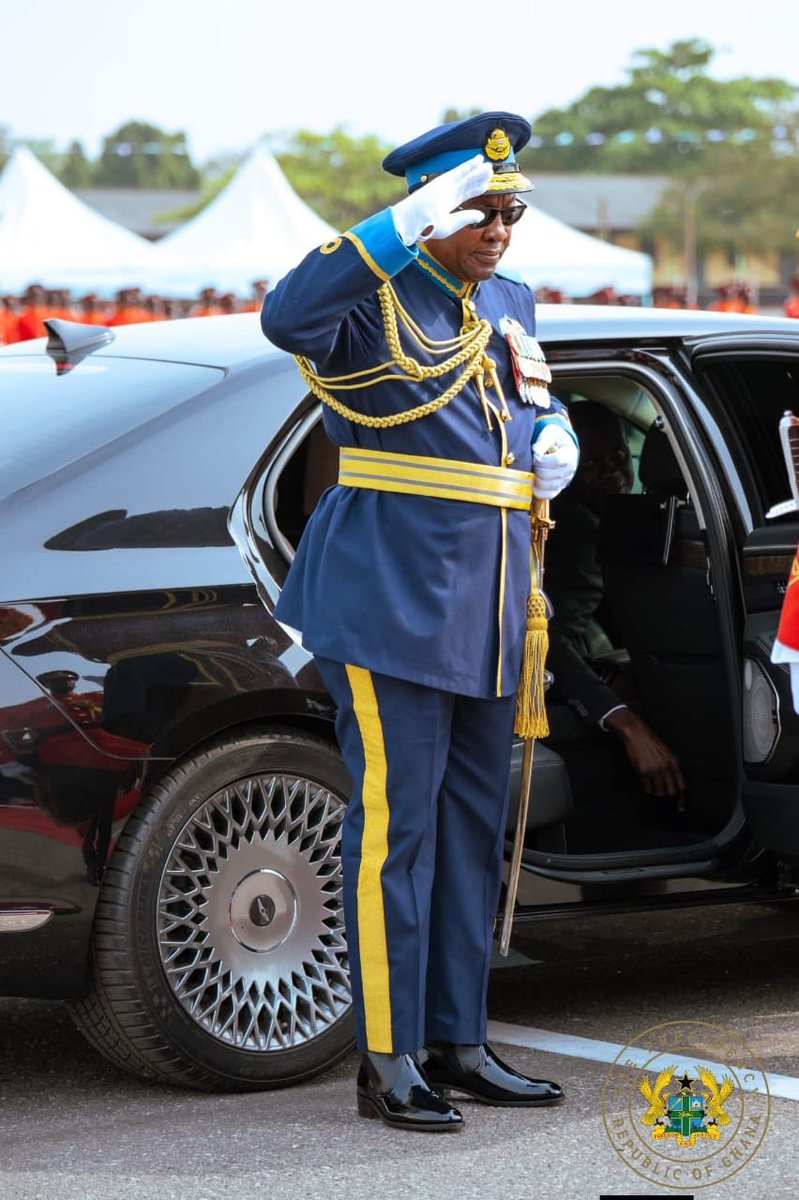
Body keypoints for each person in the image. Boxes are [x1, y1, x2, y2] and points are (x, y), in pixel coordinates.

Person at [262, 112, 578, 1133]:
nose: (497, 227)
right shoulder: (371, 294)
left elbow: (521, 405)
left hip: (488, 608)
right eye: (477, 210)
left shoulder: (512, 301)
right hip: (390, 599)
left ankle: (461, 1040)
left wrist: (554, 431)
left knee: (473, 836)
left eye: (509, 210)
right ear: (428, 214)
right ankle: (387, 1058)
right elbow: (285, 315)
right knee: (393, 839)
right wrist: (394, 229)